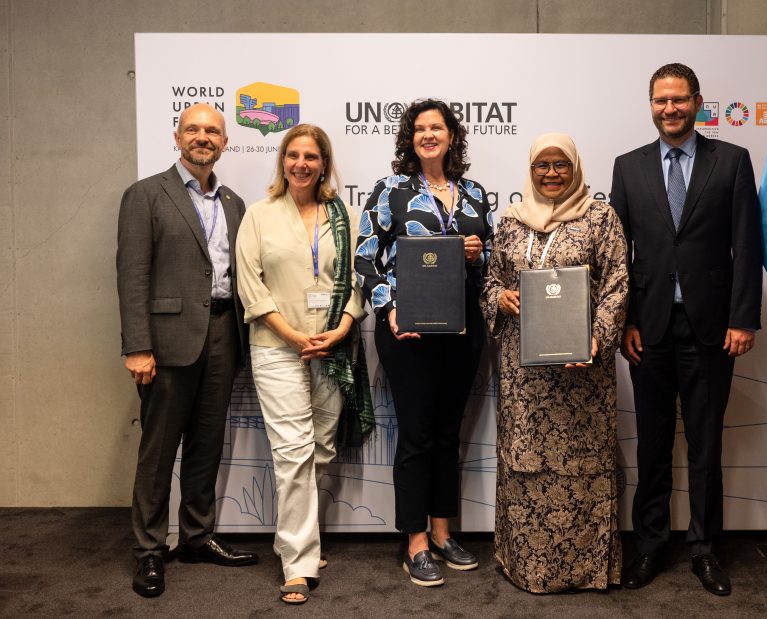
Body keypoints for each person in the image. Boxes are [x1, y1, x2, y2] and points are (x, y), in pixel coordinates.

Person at [610, 63, 763, 596]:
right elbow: (617, 257)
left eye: (678, 100)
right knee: (652, 444)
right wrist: (624, 319)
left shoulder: (733, 161)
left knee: (705, 443)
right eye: (660, 101)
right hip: (647, 330)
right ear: (650, 105)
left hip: (711, 329)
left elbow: (747, 245)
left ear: (697, 102)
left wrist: (744, 317)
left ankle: (704, 548)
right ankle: (649, 545)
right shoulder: (628, 168)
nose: (669, 109)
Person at [117, 103, 258, 599]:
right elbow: (132, 275)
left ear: (225, 143)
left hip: (224, 334)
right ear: (177, 137)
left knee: (206, 443)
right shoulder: (145, 195)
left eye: (213, 131)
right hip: (167, 341)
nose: (203, 137)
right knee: (158, 452)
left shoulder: (236, 203)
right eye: (193, 129)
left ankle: (197, 537)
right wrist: (137, 346)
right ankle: (150, 550)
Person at [355, 98, 493, 587]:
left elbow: (491, 261)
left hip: (462, 330)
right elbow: (366, 259)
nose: (428, 135)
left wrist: (476, 254)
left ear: (452, 136)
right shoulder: (390, 190)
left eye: (437, 127)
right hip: (406, 329)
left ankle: (442, 531)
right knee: (415, 434)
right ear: (409, 139)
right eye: (419, 129)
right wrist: (390, 309)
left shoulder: (474, 194)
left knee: (447, 434)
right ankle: (414, 541)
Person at [482, 133, 628, 593]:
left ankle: (585, 570)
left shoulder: (600, 218)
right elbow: (491, 279)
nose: (550, 173)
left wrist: (597, 339)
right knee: (525, 464)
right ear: (531, 169)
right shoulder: (510, 220)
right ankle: (526, 568)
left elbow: (618, 284)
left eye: (560, 164)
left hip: (581, 371)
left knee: (582, 466)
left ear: (576, 167)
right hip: (522, 375)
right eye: (542, 165)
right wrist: (499, 298)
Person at [235, 124, 372, 604]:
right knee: (292, 453)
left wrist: (344, 325)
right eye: (293, 155)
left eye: (311, 156)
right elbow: (250, 286)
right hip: (277, 348)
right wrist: (293, 336)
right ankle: (297, 562)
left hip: (333, 348)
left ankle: (297, 536)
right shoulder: (259, 215)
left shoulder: (346, 214)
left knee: (321, 449)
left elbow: (360, 278)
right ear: (282, 161)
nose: (301, 164)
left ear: (324, 163)